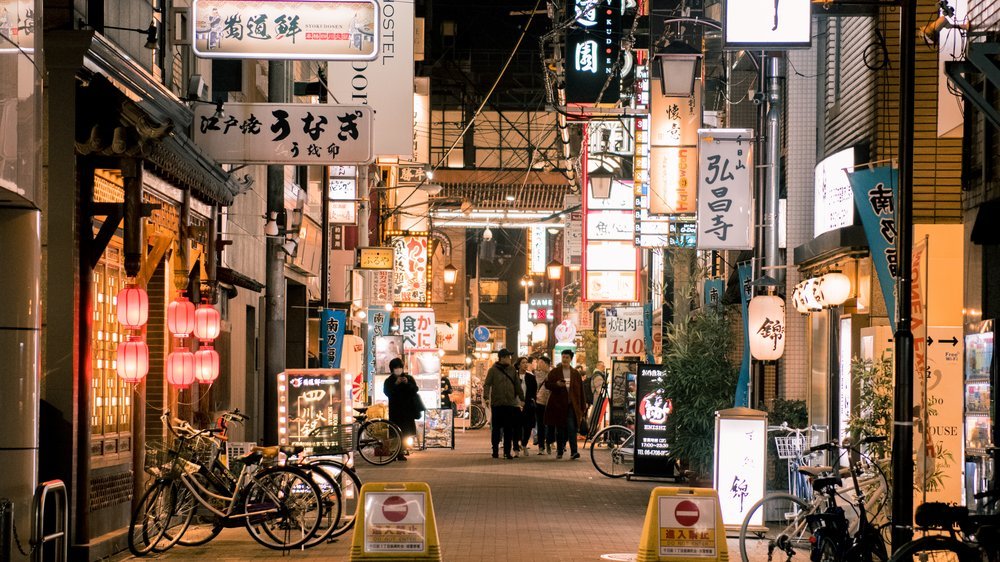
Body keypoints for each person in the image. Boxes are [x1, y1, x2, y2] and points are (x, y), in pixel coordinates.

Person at [543, 349, 586, 460]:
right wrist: (556, 384)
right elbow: (547, 384)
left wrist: (582, 407)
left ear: (571, 359)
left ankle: (574, 451)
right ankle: (560, 451)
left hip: (572, 405)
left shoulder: (575, 374)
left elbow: (581, 391)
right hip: (558, 405)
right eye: (563, 357)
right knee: (560, 428)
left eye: (567, 357)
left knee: (572, 428)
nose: (565, 359)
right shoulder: (555, 372)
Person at [483, 348, 524, 459]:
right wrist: (486, 397)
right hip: (497, 403)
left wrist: (522, 398)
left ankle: (507, 452)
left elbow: (517, 385)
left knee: (508, 428)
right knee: (496, 428)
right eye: (508, 357)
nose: (510, 359)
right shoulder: (493, 370)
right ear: (502, 358)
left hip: (510, 403)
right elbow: (487, 384)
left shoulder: (512, 370)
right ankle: (495, 450)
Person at [383, 357, 419, 461]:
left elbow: (415, 390)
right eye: (396, 368)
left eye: (400, 367)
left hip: (407, 410)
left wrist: (407, 383)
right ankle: (395, 453)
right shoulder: (389, 381)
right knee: (395, 433)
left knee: (406, 433)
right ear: (392, 369)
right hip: (395, 411)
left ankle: (401, 452)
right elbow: (387, 393)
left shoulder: (409, 378)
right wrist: (395, 384)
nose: (398, 369)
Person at [515, 356, 537, 455]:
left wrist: (528, 401)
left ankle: (524, 444)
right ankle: (516, 448)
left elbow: (533, 391)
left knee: (528, 426)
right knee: (516, 426)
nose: (525, 364)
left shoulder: (531, 377)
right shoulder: (514, 376)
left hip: (528, 404)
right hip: (515, 404)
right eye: (523, 362)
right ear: (519, 364)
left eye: (526, 362)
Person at [534, 356, 553, 454]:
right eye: (538, 362)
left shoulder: (553, 374)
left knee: (550, 425)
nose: (539, 364)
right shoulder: (536, 374)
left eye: (541, 362)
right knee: (540, 424)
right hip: (539, 402)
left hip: (550, 402)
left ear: (546, 364)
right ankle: (541, 446)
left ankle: (549, 442)